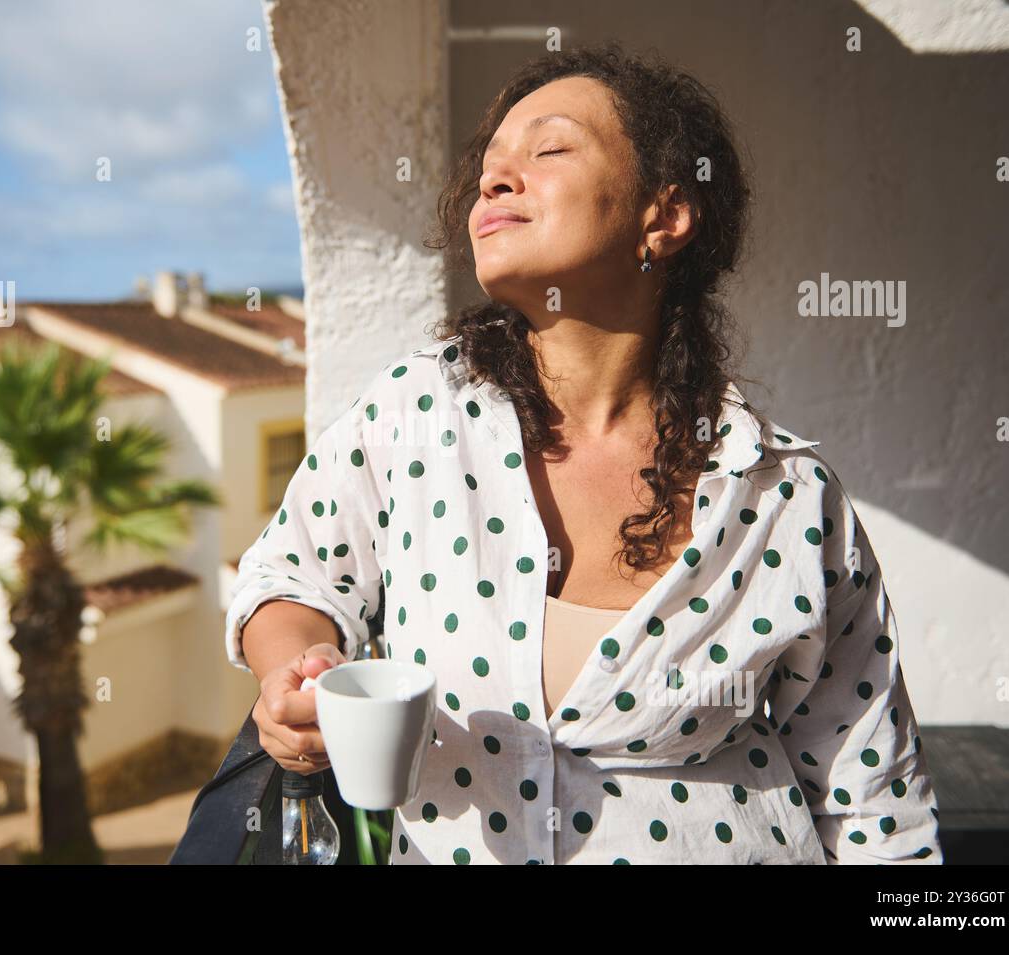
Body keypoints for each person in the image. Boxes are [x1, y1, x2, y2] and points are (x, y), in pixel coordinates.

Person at [223, 42, 942, 864]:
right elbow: (293, 579)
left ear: (665, 217)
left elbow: (876, 811)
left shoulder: (785, 496)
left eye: (550, 149)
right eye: (489, 167)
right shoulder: (413, 416)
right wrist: (298, 674)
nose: (494, 181)